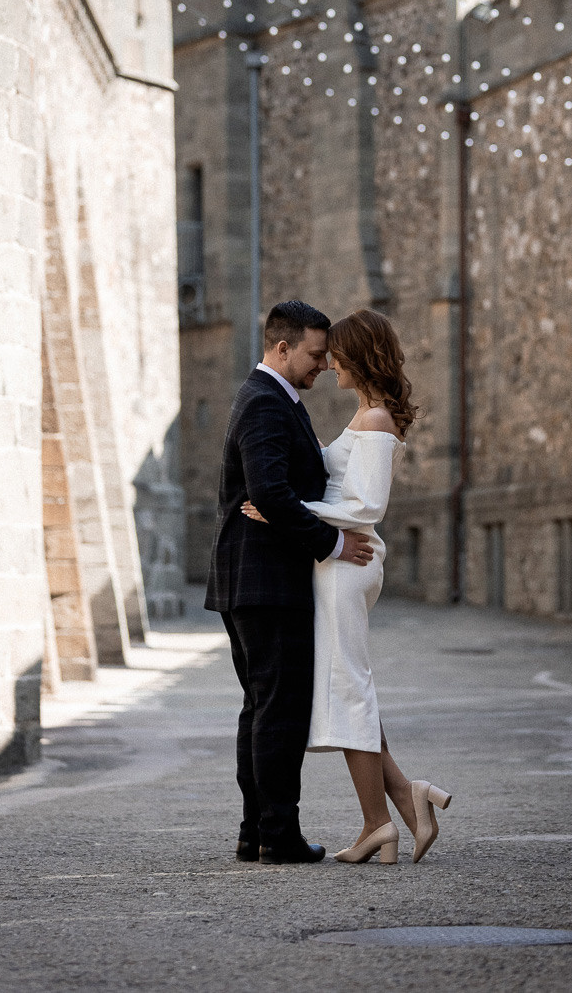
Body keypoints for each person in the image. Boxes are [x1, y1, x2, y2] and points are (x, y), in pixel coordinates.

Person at [243, 308, 452, 865]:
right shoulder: (365, 415)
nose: (330, 362)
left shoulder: (378, 420)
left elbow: (368, 506)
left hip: (348, 563)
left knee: (350, 687)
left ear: (360, 356)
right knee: (348, 686)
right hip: (336, 563)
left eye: (337, 354)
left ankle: (378, 823)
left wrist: (286, 510)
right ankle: (408, 804)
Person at [205, 300, 374, 865]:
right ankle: (278, 834)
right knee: (278, 709)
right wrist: (334, 543)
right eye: (315, 354)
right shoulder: (264, 403)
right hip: (265, 580)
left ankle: (257, 831)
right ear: (282, 348)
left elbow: (278, 493)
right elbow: (270, 492)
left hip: (255, 577)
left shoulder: (278, 400)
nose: (323, 365)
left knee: (261, 707)